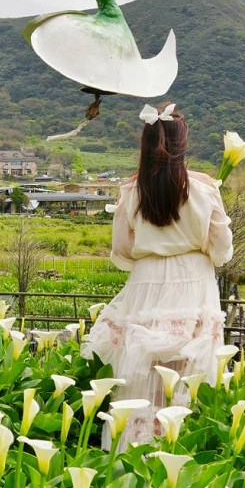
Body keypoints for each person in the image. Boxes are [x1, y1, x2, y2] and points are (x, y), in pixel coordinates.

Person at [81, 102, 233, 450]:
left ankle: (131, 453)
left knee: (139, 376)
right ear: (183, 143)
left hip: (147, 285)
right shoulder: (205, 188)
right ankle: (180, 457)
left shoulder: (131, 190)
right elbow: (222, 249)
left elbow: (121, 249)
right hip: (193, 282)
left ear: (145, 143)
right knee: (189, 375)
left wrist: (152, 250)